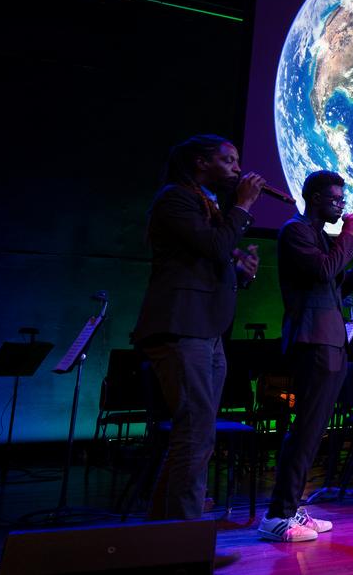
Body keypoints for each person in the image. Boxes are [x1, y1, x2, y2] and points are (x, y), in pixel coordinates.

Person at [133, 134, 262, 521]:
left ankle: (165, 532)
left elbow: (214, 258)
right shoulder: (175, 198)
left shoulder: (206, 202)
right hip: (182, 326)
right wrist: (241, 206)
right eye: (228, 160)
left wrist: (239, 274)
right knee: (196, 432)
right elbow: (214, 247)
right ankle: (186, 536)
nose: (237, 168)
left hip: (207, 329)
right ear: (201, 163)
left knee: (194, 433)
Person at [259, 171, 353, 541]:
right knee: (305, 430)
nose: (342, 206)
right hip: (312, 341)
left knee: (314, 430)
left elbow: (331, 286)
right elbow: (323, 270)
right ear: (314, 198)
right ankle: (277, 516)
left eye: (343, 200)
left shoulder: (316, 236)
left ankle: (291, 507)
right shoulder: (295, 231)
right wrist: (348, 238)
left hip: (330, 340)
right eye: (335, 200)